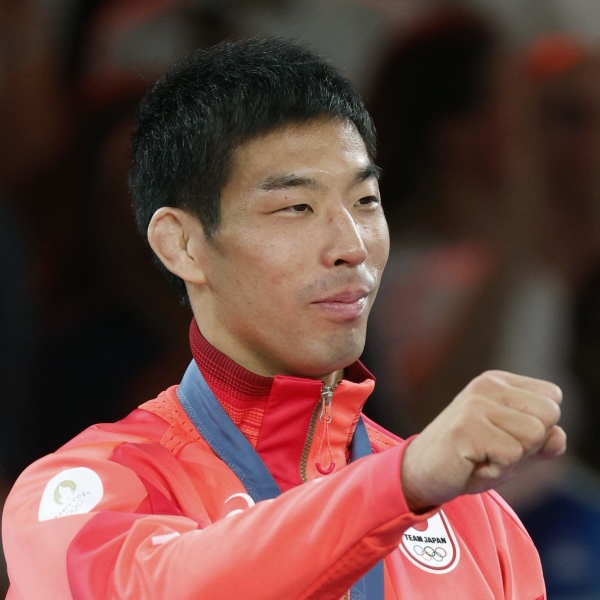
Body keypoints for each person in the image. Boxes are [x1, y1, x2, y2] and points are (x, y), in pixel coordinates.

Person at [2, 37, 566, 599]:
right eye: (297, 207)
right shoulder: (88, 488)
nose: (352, 246)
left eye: (365, 201)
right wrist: (401, 483)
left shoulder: (477, 520)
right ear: (183, 245)